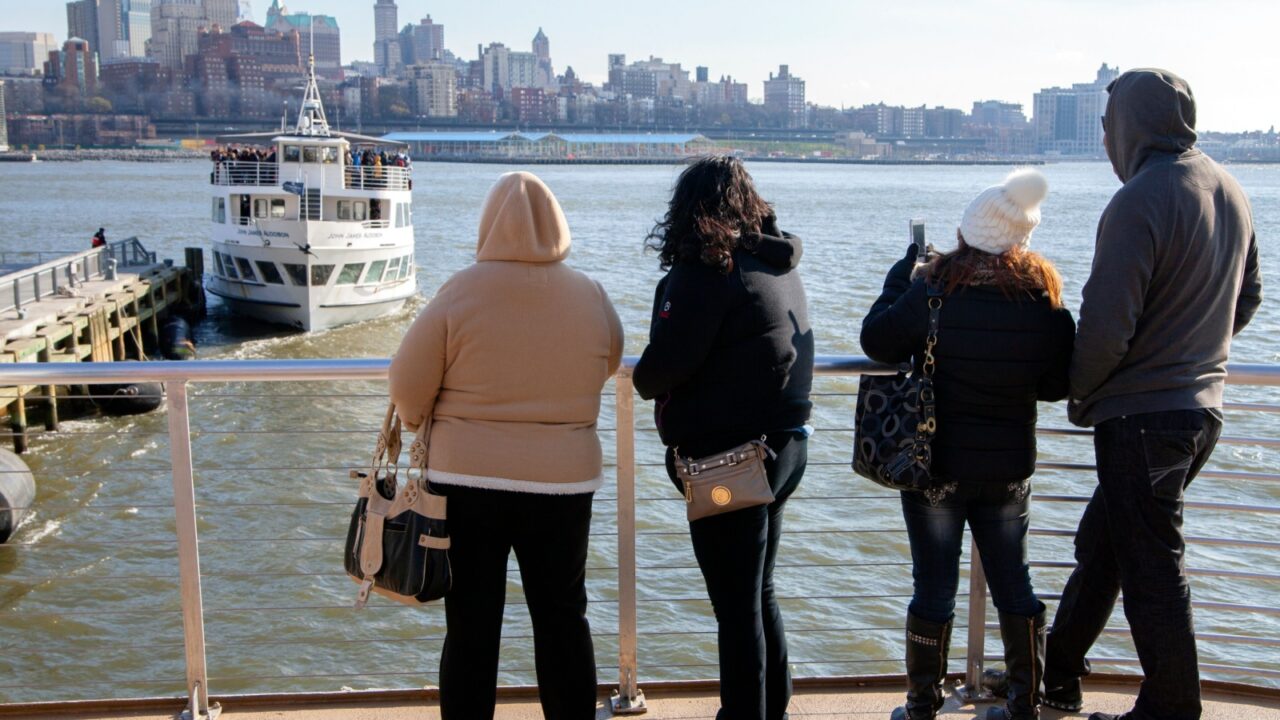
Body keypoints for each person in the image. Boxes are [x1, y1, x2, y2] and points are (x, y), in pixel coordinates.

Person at [1039, 69, 1263, 720]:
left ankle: (1171, 707)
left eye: (1108, 128)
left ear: (1129, 127)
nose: (1106, 139)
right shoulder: (1231, 189)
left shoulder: (1140, 199)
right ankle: (1056, 675)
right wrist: (1192, 348)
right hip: (1199, 411)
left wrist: (1080, 395)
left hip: (1141, 416)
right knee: (1106, 545)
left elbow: (1106, 325)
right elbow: (1246, 299)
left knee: (1150, 565)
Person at [389, 171, 623, 720]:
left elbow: (406, 383)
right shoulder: (589, 292)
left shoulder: (460, 290)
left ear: (487, 224)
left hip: (467, 485)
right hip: (565, 485)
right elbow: (610, 360)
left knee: (470, 624)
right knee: (563, 618)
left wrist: (423, 416)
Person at [860, 168, 1076, 720]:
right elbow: (1055, 385)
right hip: (1006, 469)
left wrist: (900, 276)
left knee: (933, 587)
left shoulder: (932, 291)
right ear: (1020, 238)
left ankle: (921, 705)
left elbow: (876, 340)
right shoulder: (1044, 302)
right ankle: (1025, 702)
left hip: (935, 465)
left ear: (965, 232)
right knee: (1015, 584)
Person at [633, 155, 814, 720]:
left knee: (735, 609)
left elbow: (656, 372)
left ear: (687, 211)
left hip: (729, 464)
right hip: (783, 448)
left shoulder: (706, 274)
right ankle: (772, 705)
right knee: (758, 592)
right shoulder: (777, 263)